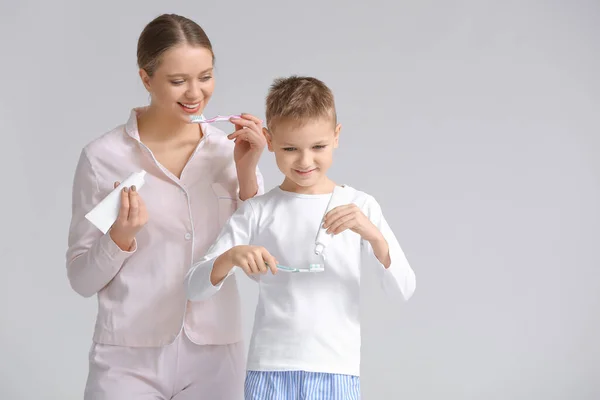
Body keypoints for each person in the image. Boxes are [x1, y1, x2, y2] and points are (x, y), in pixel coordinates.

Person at [65, 13, 266, 400]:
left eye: (205, 76)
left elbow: (263, 269)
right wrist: (120, 237)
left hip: (215, 355)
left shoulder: (228, 153)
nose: (195, 93)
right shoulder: (101, 158)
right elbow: (81, 280)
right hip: (127, 356)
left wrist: (247, 174)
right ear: (146, 78)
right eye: (178, 81)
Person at [185, 75, 416, 399]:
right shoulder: (258, 210)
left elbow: (403, 288)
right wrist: (231, 256)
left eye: (318, 146)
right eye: (291, 148)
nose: (305, 161)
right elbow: (193, 288)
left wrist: (374, 237)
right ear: (269, 140)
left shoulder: (360, 206)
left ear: (336, 137)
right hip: (269, 371)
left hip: (336, 371)